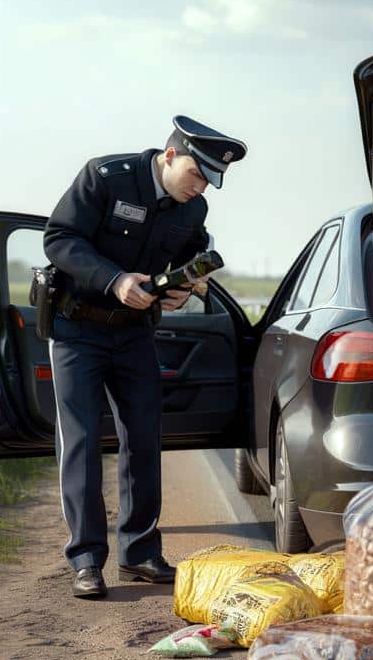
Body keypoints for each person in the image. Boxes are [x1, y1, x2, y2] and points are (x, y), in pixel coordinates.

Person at [44, 115, 247, 597]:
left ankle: (140, 553)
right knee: (83, 441)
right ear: (170, 155)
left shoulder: (191, 209)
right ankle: (87, 560)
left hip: (134, 334)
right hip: (78, 331)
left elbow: (195, 253)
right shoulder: (106, 176)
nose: (200, 189)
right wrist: (115, 280)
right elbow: (59, 239)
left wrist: (188, 285)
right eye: (196, 175)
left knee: (143, 438)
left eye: (209, 183)